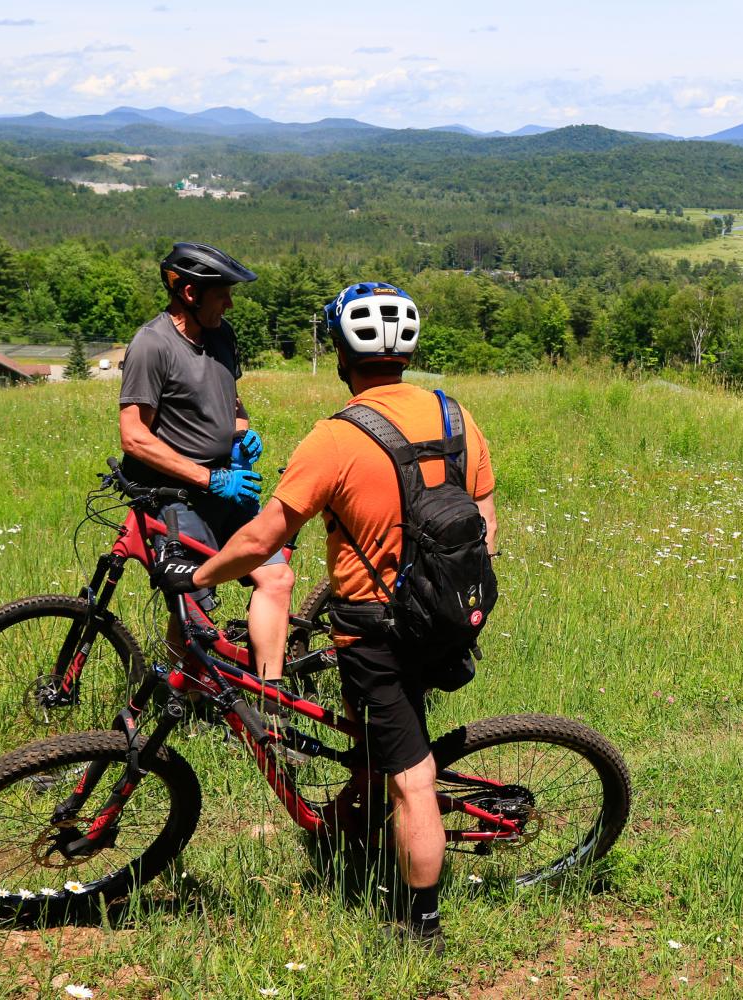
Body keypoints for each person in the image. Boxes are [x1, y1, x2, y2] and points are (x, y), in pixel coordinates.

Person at [154, 281, 498, 951]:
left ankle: (420, 924)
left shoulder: (336, 438)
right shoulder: (456, 416)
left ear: (342, 355)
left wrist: (193, 574)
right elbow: (481, 514)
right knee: (376, 745)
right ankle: (346, 835)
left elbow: (261, 540)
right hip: (452, 612)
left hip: (377, 627)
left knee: (410, 774)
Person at [119, 242, 295, 686]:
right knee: (192, 602)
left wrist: (240, 433)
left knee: (276, 578)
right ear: (191, 294)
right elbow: (135, 437)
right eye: (223, 293)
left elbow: (231, 402)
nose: (230, 302)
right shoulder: (151, 345)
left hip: (227, 486)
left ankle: (268, 700)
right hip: (175, 498)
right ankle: (188, 701)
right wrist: (208, 477)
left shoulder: (222, 336)